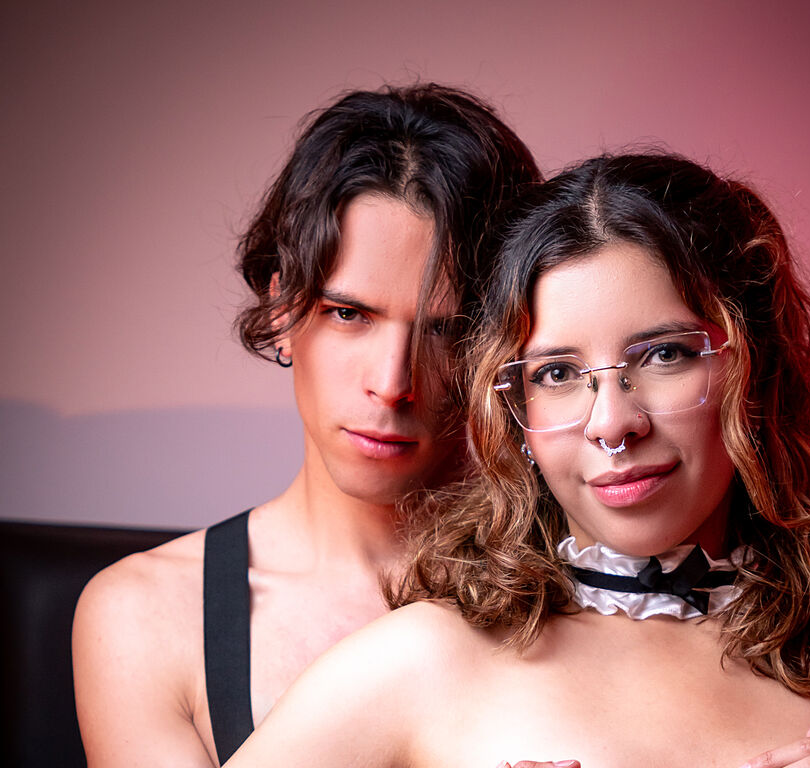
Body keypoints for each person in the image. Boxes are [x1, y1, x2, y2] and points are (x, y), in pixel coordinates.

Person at [222, 153, 810, 768]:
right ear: (514, 415)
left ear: (754, 369)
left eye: (664, 355)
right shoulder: (413, 665)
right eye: (557, 372)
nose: (613, 423)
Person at [71, 83, 541, 768]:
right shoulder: (146, 615)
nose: (393, 381)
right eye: (350, 314)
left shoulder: (587, 587)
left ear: (504, 343)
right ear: (283, 312)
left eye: (446, 330)